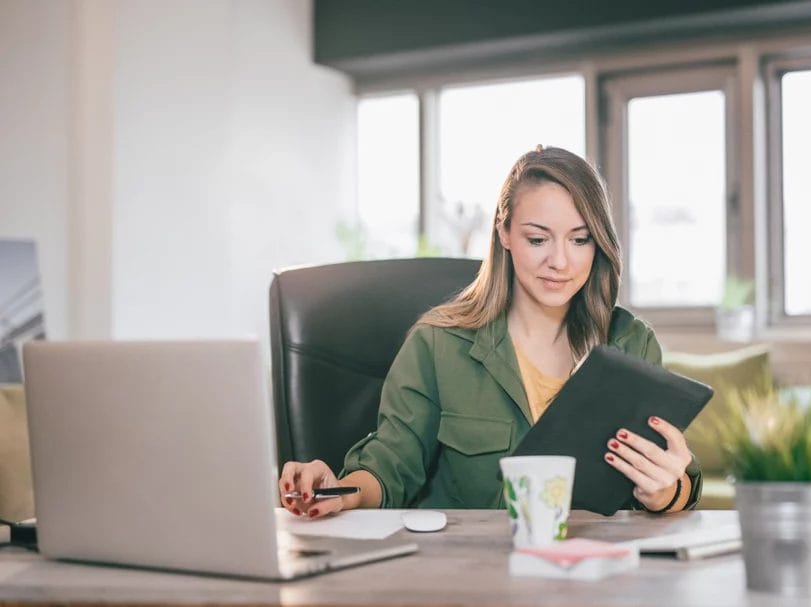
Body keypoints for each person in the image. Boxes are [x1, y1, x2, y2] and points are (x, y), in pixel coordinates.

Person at [278, 146, 701, 517]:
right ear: (504, 233)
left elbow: (671, 476)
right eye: (538, 239)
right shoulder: (438, 344)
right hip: (471, 568)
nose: (560, 261)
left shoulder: (630, 343)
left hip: (592, 567)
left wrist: (666, 491)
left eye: (580, 240)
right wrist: (339, 492)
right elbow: (391, 465)